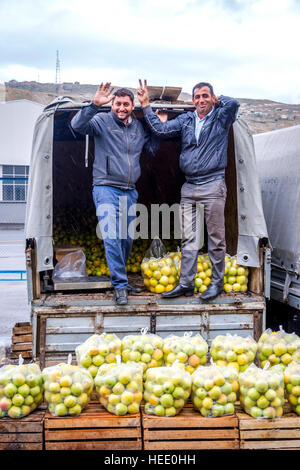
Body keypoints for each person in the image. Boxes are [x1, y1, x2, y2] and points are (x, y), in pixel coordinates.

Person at [137, 79, 240, 301]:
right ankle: (185, 283)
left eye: (205, 96)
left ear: (212, 98)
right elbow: (160, 129)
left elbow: (233, 104)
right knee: (189, 238)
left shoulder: (221, 118)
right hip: (190, 186)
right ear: (193, 101)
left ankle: (217, 283)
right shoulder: (186, 120)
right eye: (197, 97)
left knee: (216, 238)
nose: (201, 100)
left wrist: (219, 100)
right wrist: (146, 105)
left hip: (213, 183)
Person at [71, 83, 159, 305]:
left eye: (125, 104)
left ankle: (122, 281)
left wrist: (160, 128)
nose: (121, 107)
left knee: (126, 238)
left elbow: (150, 149)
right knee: (111, 235)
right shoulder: (102, 122)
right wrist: (93, 105)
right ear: (112, 104)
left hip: (129, 190)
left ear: (132, 106)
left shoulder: (138, 127)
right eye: (117, 104)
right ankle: (119, 285)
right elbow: (77, 124)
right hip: (106, 187)